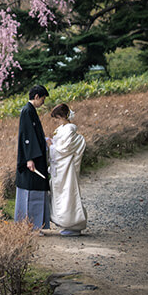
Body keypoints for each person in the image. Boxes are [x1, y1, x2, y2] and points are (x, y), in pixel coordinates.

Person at [48, 102, 88, 236]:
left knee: (68, 192)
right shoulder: (62, 128)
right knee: (61, 193)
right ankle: (64, 223)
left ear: (64, 116)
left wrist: (51, 146)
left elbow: (64, 149)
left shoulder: (70, 129)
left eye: (58, 118)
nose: (57, 121)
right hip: (61, 166)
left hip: (67, 166)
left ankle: (73, 224)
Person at [15, 85, 50, 230]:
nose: (43, 102)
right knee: (31, 191)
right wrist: (29, 158)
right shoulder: (27, 111)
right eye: (42, 99)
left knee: (37, 190)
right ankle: (31, 225)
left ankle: (36, 224)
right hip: (32, 159)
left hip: (37, 157)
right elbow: (27, 136)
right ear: (36, 96)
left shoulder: (31, 111)